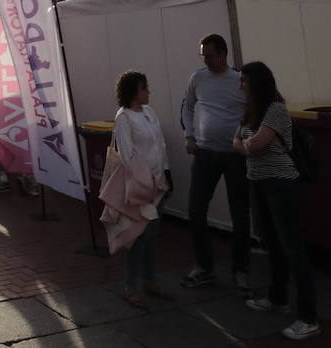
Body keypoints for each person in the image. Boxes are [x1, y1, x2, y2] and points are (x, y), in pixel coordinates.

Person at [233, 61, 319, 341]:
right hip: (259, 184)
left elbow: (255, 145)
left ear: (257, 83)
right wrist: (246, 146)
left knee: (293, 248)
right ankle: (278, 298)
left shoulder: (276, 110)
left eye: (244, 81)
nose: (241, 86)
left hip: (281, 186)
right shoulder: (250, 112)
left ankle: (308, 317)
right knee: (273, 244)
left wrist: (244, 146)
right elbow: (241, 142)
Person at [180, 33, 250, 292]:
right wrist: (189, 135)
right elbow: (187, 107)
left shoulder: (239, 81)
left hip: (234, 156)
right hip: (205, 153)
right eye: (203, 56)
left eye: (209, 55)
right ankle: (204, 267)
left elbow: (254, 112)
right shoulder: (197, 78)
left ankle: (241, 268)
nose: (206, 60)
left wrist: (247, 139)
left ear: (223, 54)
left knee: (240, 213)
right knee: (196, 209)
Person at [105, 71, 172, 307]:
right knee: (139, 237)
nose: (148, 92)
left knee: (153, 236)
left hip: (158, 184)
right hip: (142, 187)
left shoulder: (149, 113)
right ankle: (130, 286)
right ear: (134, 91)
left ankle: (150, 281)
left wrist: (165, 173)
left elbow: (160, 145)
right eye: (145, 88)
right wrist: (147, 181)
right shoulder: (124, 118)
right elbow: (127, 155)